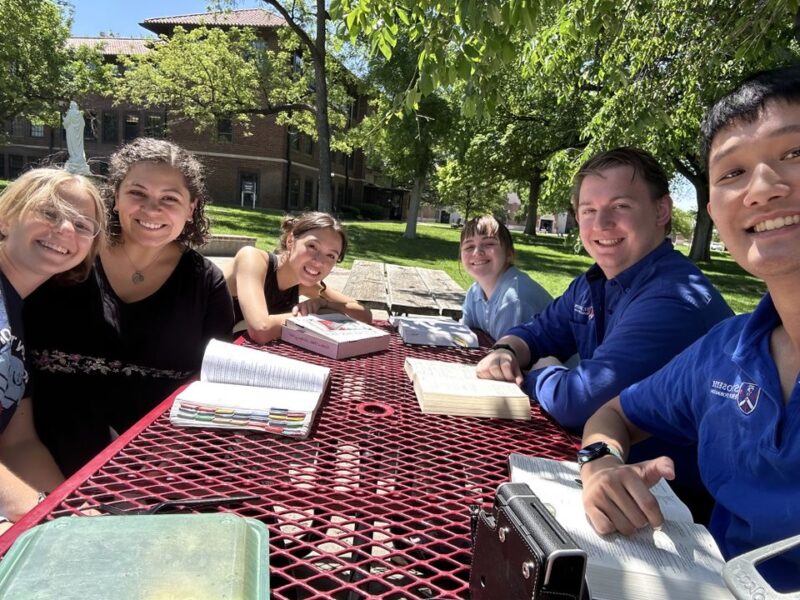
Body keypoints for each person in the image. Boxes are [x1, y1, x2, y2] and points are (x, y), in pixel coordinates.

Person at [579, 66, 800, 591]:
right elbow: (612, 413)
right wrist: (601, 466)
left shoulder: (675, 297)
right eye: (732, 173)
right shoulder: (725, 351)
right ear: (713, 211)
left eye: (793, 153)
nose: (762, 188)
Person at [476, 147, 733, 431]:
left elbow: (579, 403)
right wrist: (506, 350)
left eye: (620, 206)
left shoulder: (674, 297)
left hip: (664, 473)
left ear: (661, 211)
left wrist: (535, 372)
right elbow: (539, 332)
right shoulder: (592, 283)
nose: (601, 224)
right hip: (607, 463)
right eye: (589, 210)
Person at [24, 138, 234, 477]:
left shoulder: (206, 283)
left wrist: (163, 456)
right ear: (116, 196)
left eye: (170, 198)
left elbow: (213, 378)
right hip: (44, 455)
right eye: (138, 193)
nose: (152, 210)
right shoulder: (68, 255)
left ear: (191, 208)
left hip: (158, 463)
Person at [0, 168, 105, 522]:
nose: (65, 229)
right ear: (4, 219)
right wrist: (49, 517)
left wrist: (71, 507)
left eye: (82, 225)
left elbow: (19, 442)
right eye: (49, 212)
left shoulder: (17, 312)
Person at [224, 212, 371, 344]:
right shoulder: (252, 259)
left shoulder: (304, 283)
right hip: (205, 358)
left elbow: (363, 314)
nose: (319, 261)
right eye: (312, 246)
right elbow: (261, 330)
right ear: (290, 241)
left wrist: (324, 304)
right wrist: (313, 316)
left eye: (331, 255)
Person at [459, 215, 552, 341]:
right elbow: (463, 337)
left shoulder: (513, 299)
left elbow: (506, 357)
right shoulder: (474, 292)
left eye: (489, 244)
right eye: (469, 247)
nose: (477, 252)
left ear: (509, 254)